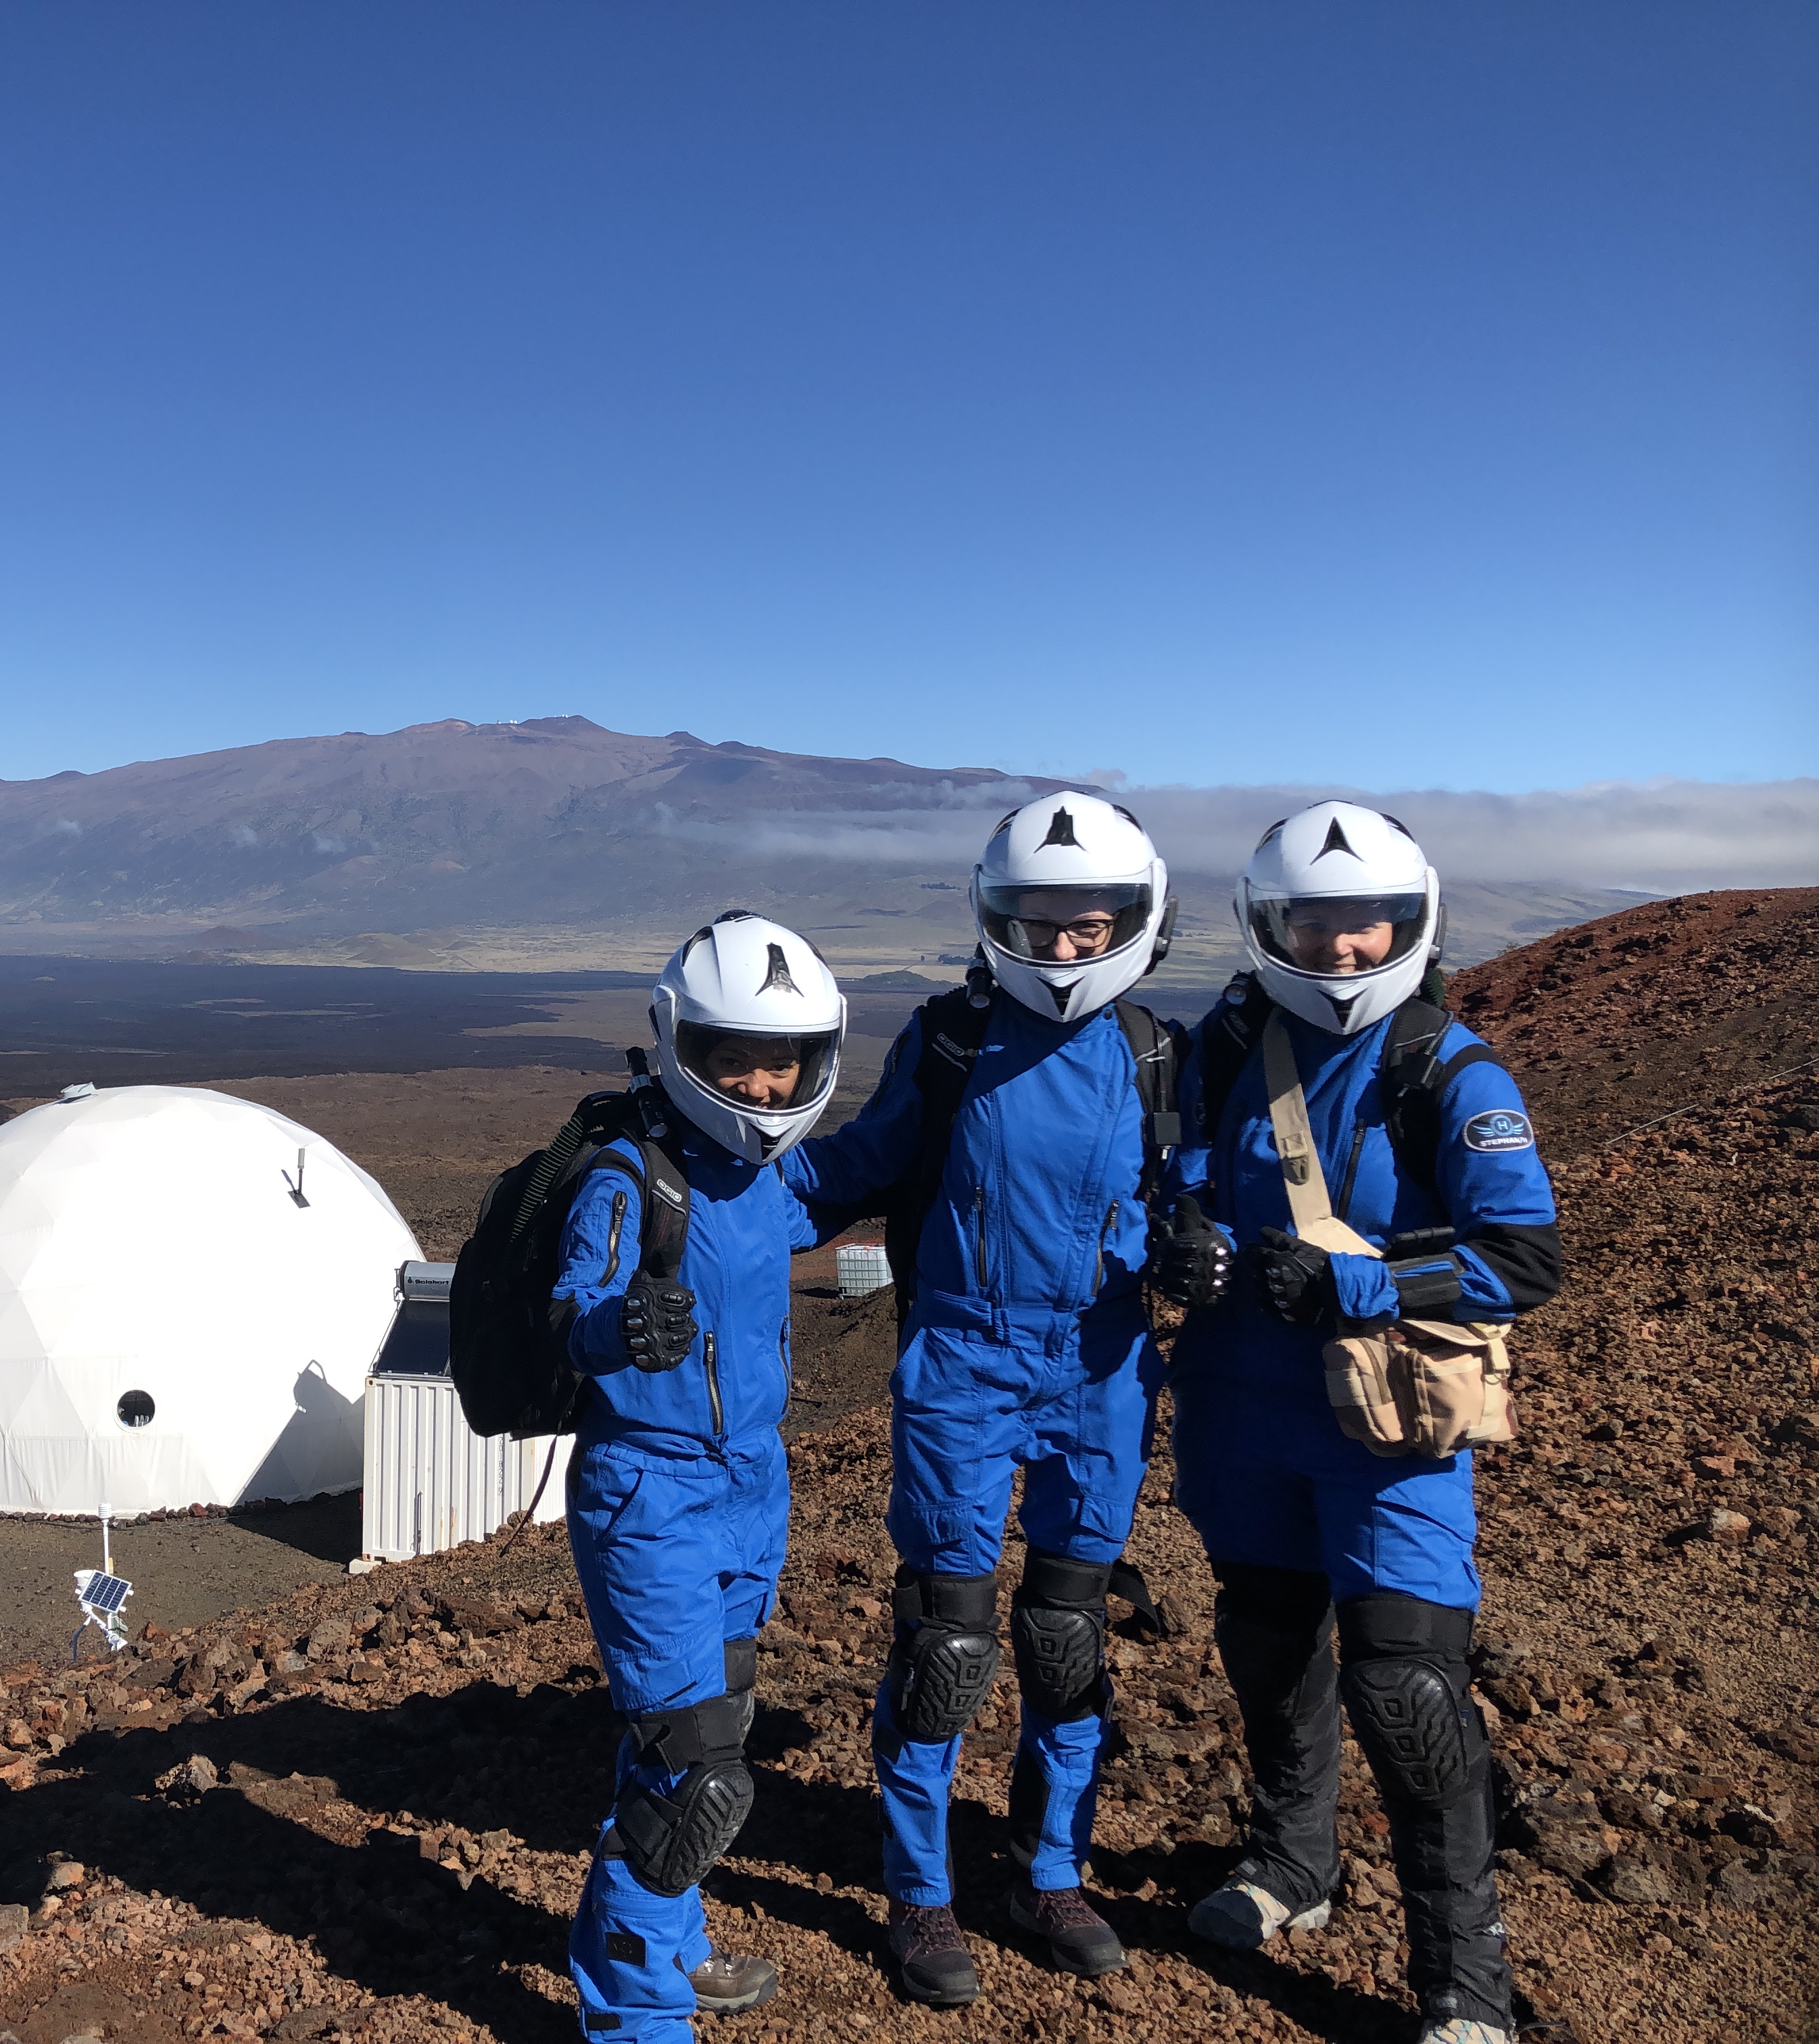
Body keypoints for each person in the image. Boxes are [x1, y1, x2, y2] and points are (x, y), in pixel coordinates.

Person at [1153, 802, 1560, 2044]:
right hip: (1242, 1417)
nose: (1342, 947)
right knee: (1268, 1645)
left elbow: (1524, 1257)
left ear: (1412, 921)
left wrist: (1358, 1282)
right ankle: (1292, 1863)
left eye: (1365, 920)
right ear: (1272, 926)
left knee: (1409, 1690)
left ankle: (1463, 1981)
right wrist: (1184, 1240)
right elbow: (1175, 1165)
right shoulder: (1224, 1047)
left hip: (1387, 1434)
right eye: (1315, 922)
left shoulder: (1445, 1070)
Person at [782, 794, 1182, 2008]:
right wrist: (710, 1191)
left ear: (1133, 921)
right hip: (966, 1360)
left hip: (1102, 1367)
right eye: (1038, 922)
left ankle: (1047, 1871)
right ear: (997, 917)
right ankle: (919, 1896)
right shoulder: (950, 1040)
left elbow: (1202, 1195)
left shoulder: (1160, 1054)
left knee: (1068, 1634)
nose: (1063, 948)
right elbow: (861, 1163)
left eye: (1089, 924)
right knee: (947, 1636)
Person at [555, 910, 844, 2041]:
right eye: (739, 1060)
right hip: (651, 1492)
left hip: (749, 1492)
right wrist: (620, 1329)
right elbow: (569, 1318)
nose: (767, 1083)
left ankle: (665, 1953)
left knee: (703, 1730)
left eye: (787, 1060)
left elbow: (854, 1177)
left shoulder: (767, 1179)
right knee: (698, 1774)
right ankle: (636, 2017)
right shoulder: (634, 1178)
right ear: (686, 1050)